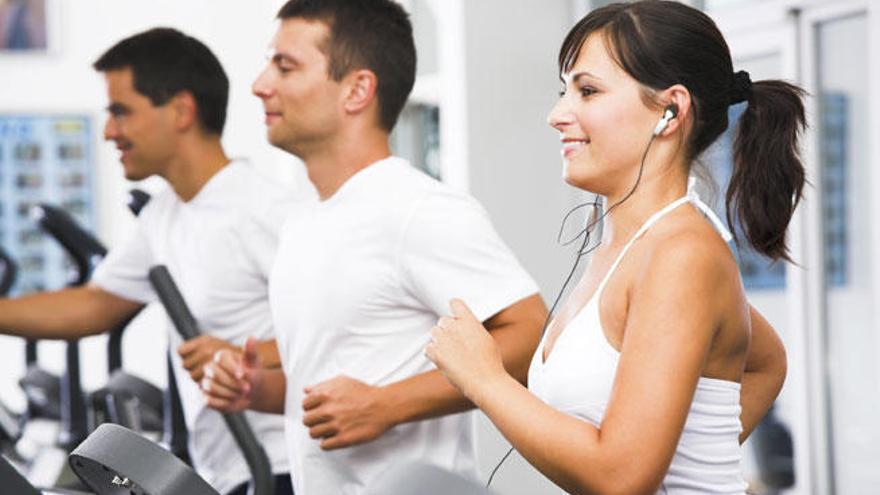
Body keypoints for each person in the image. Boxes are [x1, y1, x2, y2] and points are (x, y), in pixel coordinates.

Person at [425, 1, 798, 494]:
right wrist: (691, 451)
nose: (558, 115)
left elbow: (620, 478)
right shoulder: (628, 249)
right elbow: (765, 362)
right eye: (565, 92)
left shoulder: (683, 254)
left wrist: (484, 378)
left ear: (670, 110)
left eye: (588, 90)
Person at [200, 0, 548, 493]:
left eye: (285, 66)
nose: (260, 84)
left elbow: (531, 334)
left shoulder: (419, 210)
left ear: (358, 89)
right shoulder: (306, 220)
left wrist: (388, 405)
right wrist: (259, 390)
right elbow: (336, 389)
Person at [0, 28, 295, 495]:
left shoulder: (264, 211)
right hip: (226, 468)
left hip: (282, 466)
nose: (108, 131)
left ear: (181, 110)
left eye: (121, 111)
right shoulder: (164, 215)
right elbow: (95, 304)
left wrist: (242, 358)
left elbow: (341, 334)